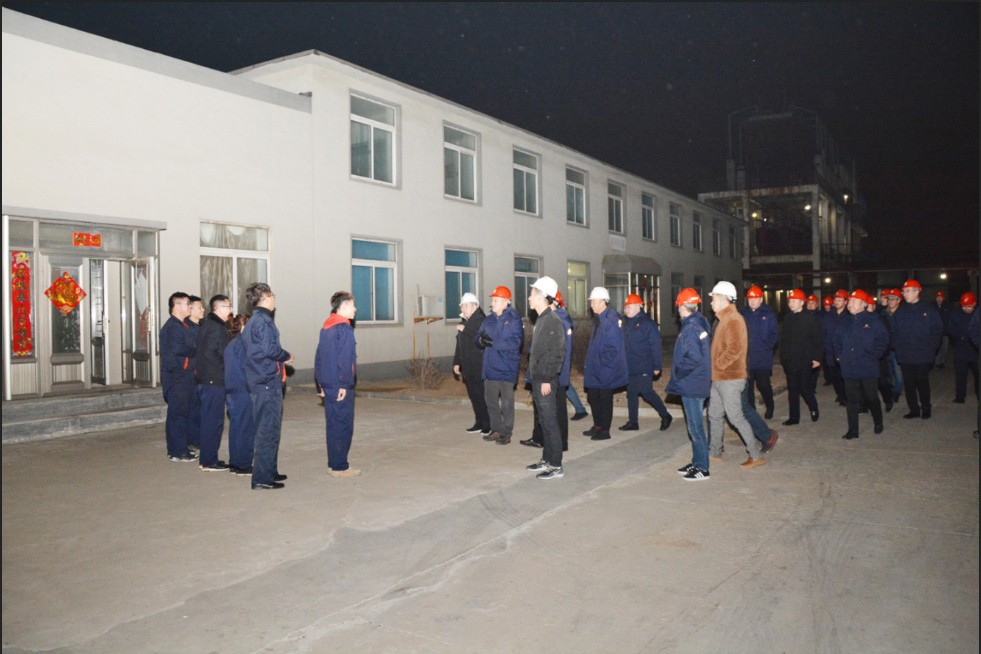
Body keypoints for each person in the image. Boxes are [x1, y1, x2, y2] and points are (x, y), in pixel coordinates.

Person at [706, 281, 765, 469]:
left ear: (723, 299)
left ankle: (756, 454)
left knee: (736, 417)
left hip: (730, 378)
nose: (711, 302)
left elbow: (735, 349)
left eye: (714, 297)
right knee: (714, 415)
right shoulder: (724, 319)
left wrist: (718, 364)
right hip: (719, 377)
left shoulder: (733, 319)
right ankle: (714, 452)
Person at [240, 283, 293, 490]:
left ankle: (269, 470)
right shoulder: (262, 321)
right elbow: (270, 350)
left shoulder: (258, 320)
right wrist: (286, 355)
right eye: (272, 295)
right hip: (266, 383)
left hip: (265, 381)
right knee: (266, 431)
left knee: (271, 430)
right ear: (265, 298)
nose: (274, 299)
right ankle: (262, 478)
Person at [523, 277, 567, 480]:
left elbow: (557, 353)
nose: (529, 298)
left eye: (532, 294)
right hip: (538, 378)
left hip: (545, 380)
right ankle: (547, 459)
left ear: (542, 296)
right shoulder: (542, 319)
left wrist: (548, 379)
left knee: (549, 422)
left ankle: (556, 465)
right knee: (543, 420)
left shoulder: (553, 321)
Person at [667, 288, 713, 481]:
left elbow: (693, 357)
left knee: (695, 428)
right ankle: (697, 462)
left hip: (692, 384)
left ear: (682, 307)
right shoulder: (698, 323)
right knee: (694, 427)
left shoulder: (691, 328)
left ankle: (703, 467)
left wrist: (678, 371)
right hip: (695, 382)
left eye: (678, 306)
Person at [315, 291, 361, 477]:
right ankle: (340, 467)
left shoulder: (326, 327)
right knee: (343, 426)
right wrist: (344, 384)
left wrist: (320, 384)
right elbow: (345, 359)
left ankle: (333, 464)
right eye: (352, 305)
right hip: (341, 385)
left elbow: (319, 357)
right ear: (343, 306)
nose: (355, 309)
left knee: (333, 425)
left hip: (328, 383)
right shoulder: (344, 328)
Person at [833, 289, 889, 439]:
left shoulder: (873, 320)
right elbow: (836, 340)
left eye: (854, 301)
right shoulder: (845, 321)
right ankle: (853, 430)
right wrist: (839, 357)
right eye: (850, 301)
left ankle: (878, 422)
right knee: (851, 399)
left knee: (871, 397)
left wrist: (875, 355)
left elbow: (883, 339)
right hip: (849, 366)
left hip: (867, 366)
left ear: (863, 304)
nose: (850, 304)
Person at [477, 285, 524, 445]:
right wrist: (480, 340)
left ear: (505, 302)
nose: (492, 303)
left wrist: (493, 343)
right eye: (492, 300)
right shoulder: (488, 320)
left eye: (495, 300)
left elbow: (515, 342)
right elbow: (478, 337)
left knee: (507, 404)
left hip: (507, 369)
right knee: (491, 402)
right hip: (490, 368)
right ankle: (496, 430)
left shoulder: (514, 320)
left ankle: (506, 432)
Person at [620, 293, 673, 432]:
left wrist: (657, 366)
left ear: (638, 307)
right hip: (630, 366)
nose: (626, 309)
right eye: (625, 307)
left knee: (646, 392)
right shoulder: (626, 324)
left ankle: (665, 415)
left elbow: (655, 345)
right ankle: (633, 422)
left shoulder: (648, 324)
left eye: (629, 306)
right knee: (631, 393)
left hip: (644, 365)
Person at [891, 279, 944, 419]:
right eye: (904, 291)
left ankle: (926, 407)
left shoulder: (928, 309)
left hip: (923, 354)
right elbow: (894, 331)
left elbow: (938, 330)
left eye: (908, 291)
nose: (905, 294)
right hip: (905, 354)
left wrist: (932, 347)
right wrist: (898, 347)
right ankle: (913, 409)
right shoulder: (901, 310)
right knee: (909, 384)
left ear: (917, 292)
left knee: (922, 382)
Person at [582, 286, 628, 441]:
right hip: (596, 367)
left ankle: (605, 430)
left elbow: (613, 348)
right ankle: (598, 425)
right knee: (593, 397)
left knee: (604, 399)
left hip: (605, 368)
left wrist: (602, 364)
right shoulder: (599, 318)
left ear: (603, 301)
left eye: (594, 302)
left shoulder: (611, 320)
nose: (592, 305)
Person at [195, 294, 233, 471]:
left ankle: (209, 458)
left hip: (209, 379)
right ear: (217, 309)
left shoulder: (210, 325)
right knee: (213, 422)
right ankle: (209, 461)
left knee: (211, 420)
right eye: (228, 307)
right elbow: (211, 354)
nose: (231, 310)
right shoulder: (215, 328)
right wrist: (226, 370)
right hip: (213, 381)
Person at [160, 292, 196, 462]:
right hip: (177, 377)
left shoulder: (182, 325)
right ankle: (177, 451)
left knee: (181, 413)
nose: (190, 307)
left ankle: (179, 448)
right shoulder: (173, 327)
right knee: (178, 415)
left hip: (183, 376)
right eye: (188, 303)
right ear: (177, 305)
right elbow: (179, 350)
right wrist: (196, 349)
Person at [779, 289, 824, 426]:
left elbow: (818, 339)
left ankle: (813, 408)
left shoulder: (810, 318)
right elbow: (784, 340)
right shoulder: (787, 318)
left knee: (804, 387)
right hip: (790, 360)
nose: (791, 304)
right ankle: (794, 417)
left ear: (802, 302)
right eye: (790, 301)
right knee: (792, 389)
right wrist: (783, 357)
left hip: (805, 359)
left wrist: (817, 358)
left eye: (794, 301)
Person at [452, 292, 490, 436]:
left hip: (479, 365)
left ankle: (487, 424)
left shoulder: (482, 320)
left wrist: (465, 330)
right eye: (462, 306)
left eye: (466, 306)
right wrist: (457, 362)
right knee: (474, 396)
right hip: (468, 365)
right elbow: (459, 344)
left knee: (481, 395)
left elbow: (483, 339)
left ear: (474, 306)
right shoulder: (465, 322)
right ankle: (479, 422)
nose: (463, 309)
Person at [739, 285, 778, 419]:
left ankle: (770, 406)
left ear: (761, 299)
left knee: (763, 384)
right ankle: (752, 412)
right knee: (748, 387)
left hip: (762, 357)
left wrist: (765, 346)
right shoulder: (743, 313)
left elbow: (774, 334)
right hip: (747, 358)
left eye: (755, 298)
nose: (752, 301)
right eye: (750, 299)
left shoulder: (768, 314)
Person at [224, 313, 256, 475]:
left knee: (236, 427)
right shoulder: (244, 344)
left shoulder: (232, 343)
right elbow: (249, 369)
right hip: (243, 390)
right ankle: (243, 465)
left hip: (232, 390)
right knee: (246, 428)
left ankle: (235, 462)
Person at [556, 291, 589, 421]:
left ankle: (580, 409)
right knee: (564, 384)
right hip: (562, 356)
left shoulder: (560, 318)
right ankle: (580, 409)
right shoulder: (562, 317)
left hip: (560, 356)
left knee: (563, 383)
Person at [948, 292, 979, 403]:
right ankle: (960, 396)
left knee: (978, 374)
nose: (967, 309)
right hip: (961, 350)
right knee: (961, 375)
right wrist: (960, 337)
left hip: (975, 350)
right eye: (964, 306)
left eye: (969, 306)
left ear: (974, 304)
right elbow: (951, 329)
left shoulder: (977, 314)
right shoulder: (956, 315)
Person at [184, 295, 206, 454]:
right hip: (192, 374)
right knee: (193, 409)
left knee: (201, 409)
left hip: (205, 374)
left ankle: (200, 438)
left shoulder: (204, 326)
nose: (203, 310)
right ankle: (192, 440)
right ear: (190, 309)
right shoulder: (187, 329)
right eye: (200, 307)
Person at [821, 289, 850, 405]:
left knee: (844, 376)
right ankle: (840, 394)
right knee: (835, 377)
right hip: (830, 351)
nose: (837, 302)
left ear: (846, 302)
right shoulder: (828, 316)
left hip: (844, 352)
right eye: (836, 300)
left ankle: (846, 396)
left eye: (840, 300)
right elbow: (822, 333)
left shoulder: (849, 316)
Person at [933, 291, 952, 368]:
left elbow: (950, 319)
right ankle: (937, 363)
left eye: (941, 297)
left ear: (943, 298)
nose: (939, 299)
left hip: (945, 333)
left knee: (944, 348)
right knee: (936, 348)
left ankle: (942, 362)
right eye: (938, 297)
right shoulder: (932, 307)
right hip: (936, 333)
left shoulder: (947, 307)